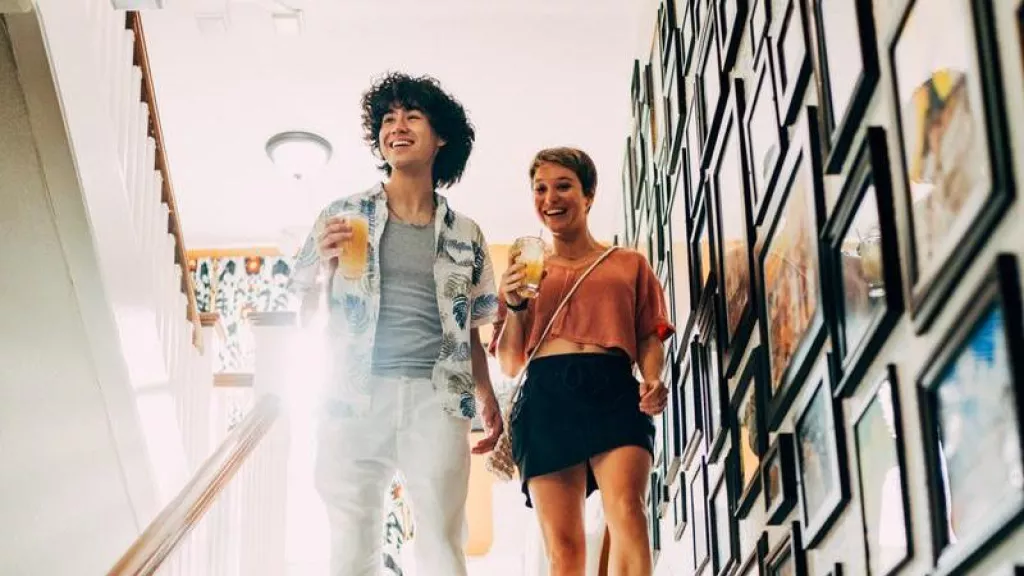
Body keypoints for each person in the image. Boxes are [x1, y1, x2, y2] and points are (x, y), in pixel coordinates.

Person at [288, 72, 503, 576]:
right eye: (388, 118)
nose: (397, 127)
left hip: (438, 398)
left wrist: (488, 397)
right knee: (350, 539)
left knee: (443, 540)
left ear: (441, 136)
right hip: (353, 393)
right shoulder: (341, 215)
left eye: (412, 116)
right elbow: (306, 317)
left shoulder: (466, 233)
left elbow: (471, 331)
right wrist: (323, 271)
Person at [492, 147, 673, 576]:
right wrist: (515, 305)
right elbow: (510, 363)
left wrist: (652, 378)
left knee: (628, 511)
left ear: (588, 196)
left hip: (613, 388)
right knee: (565, 548)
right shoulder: (524, 272)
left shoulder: (628, 264)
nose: (550, 198)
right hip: (546, 397)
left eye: (563, 186)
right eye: (540, 189)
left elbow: (649, 334)